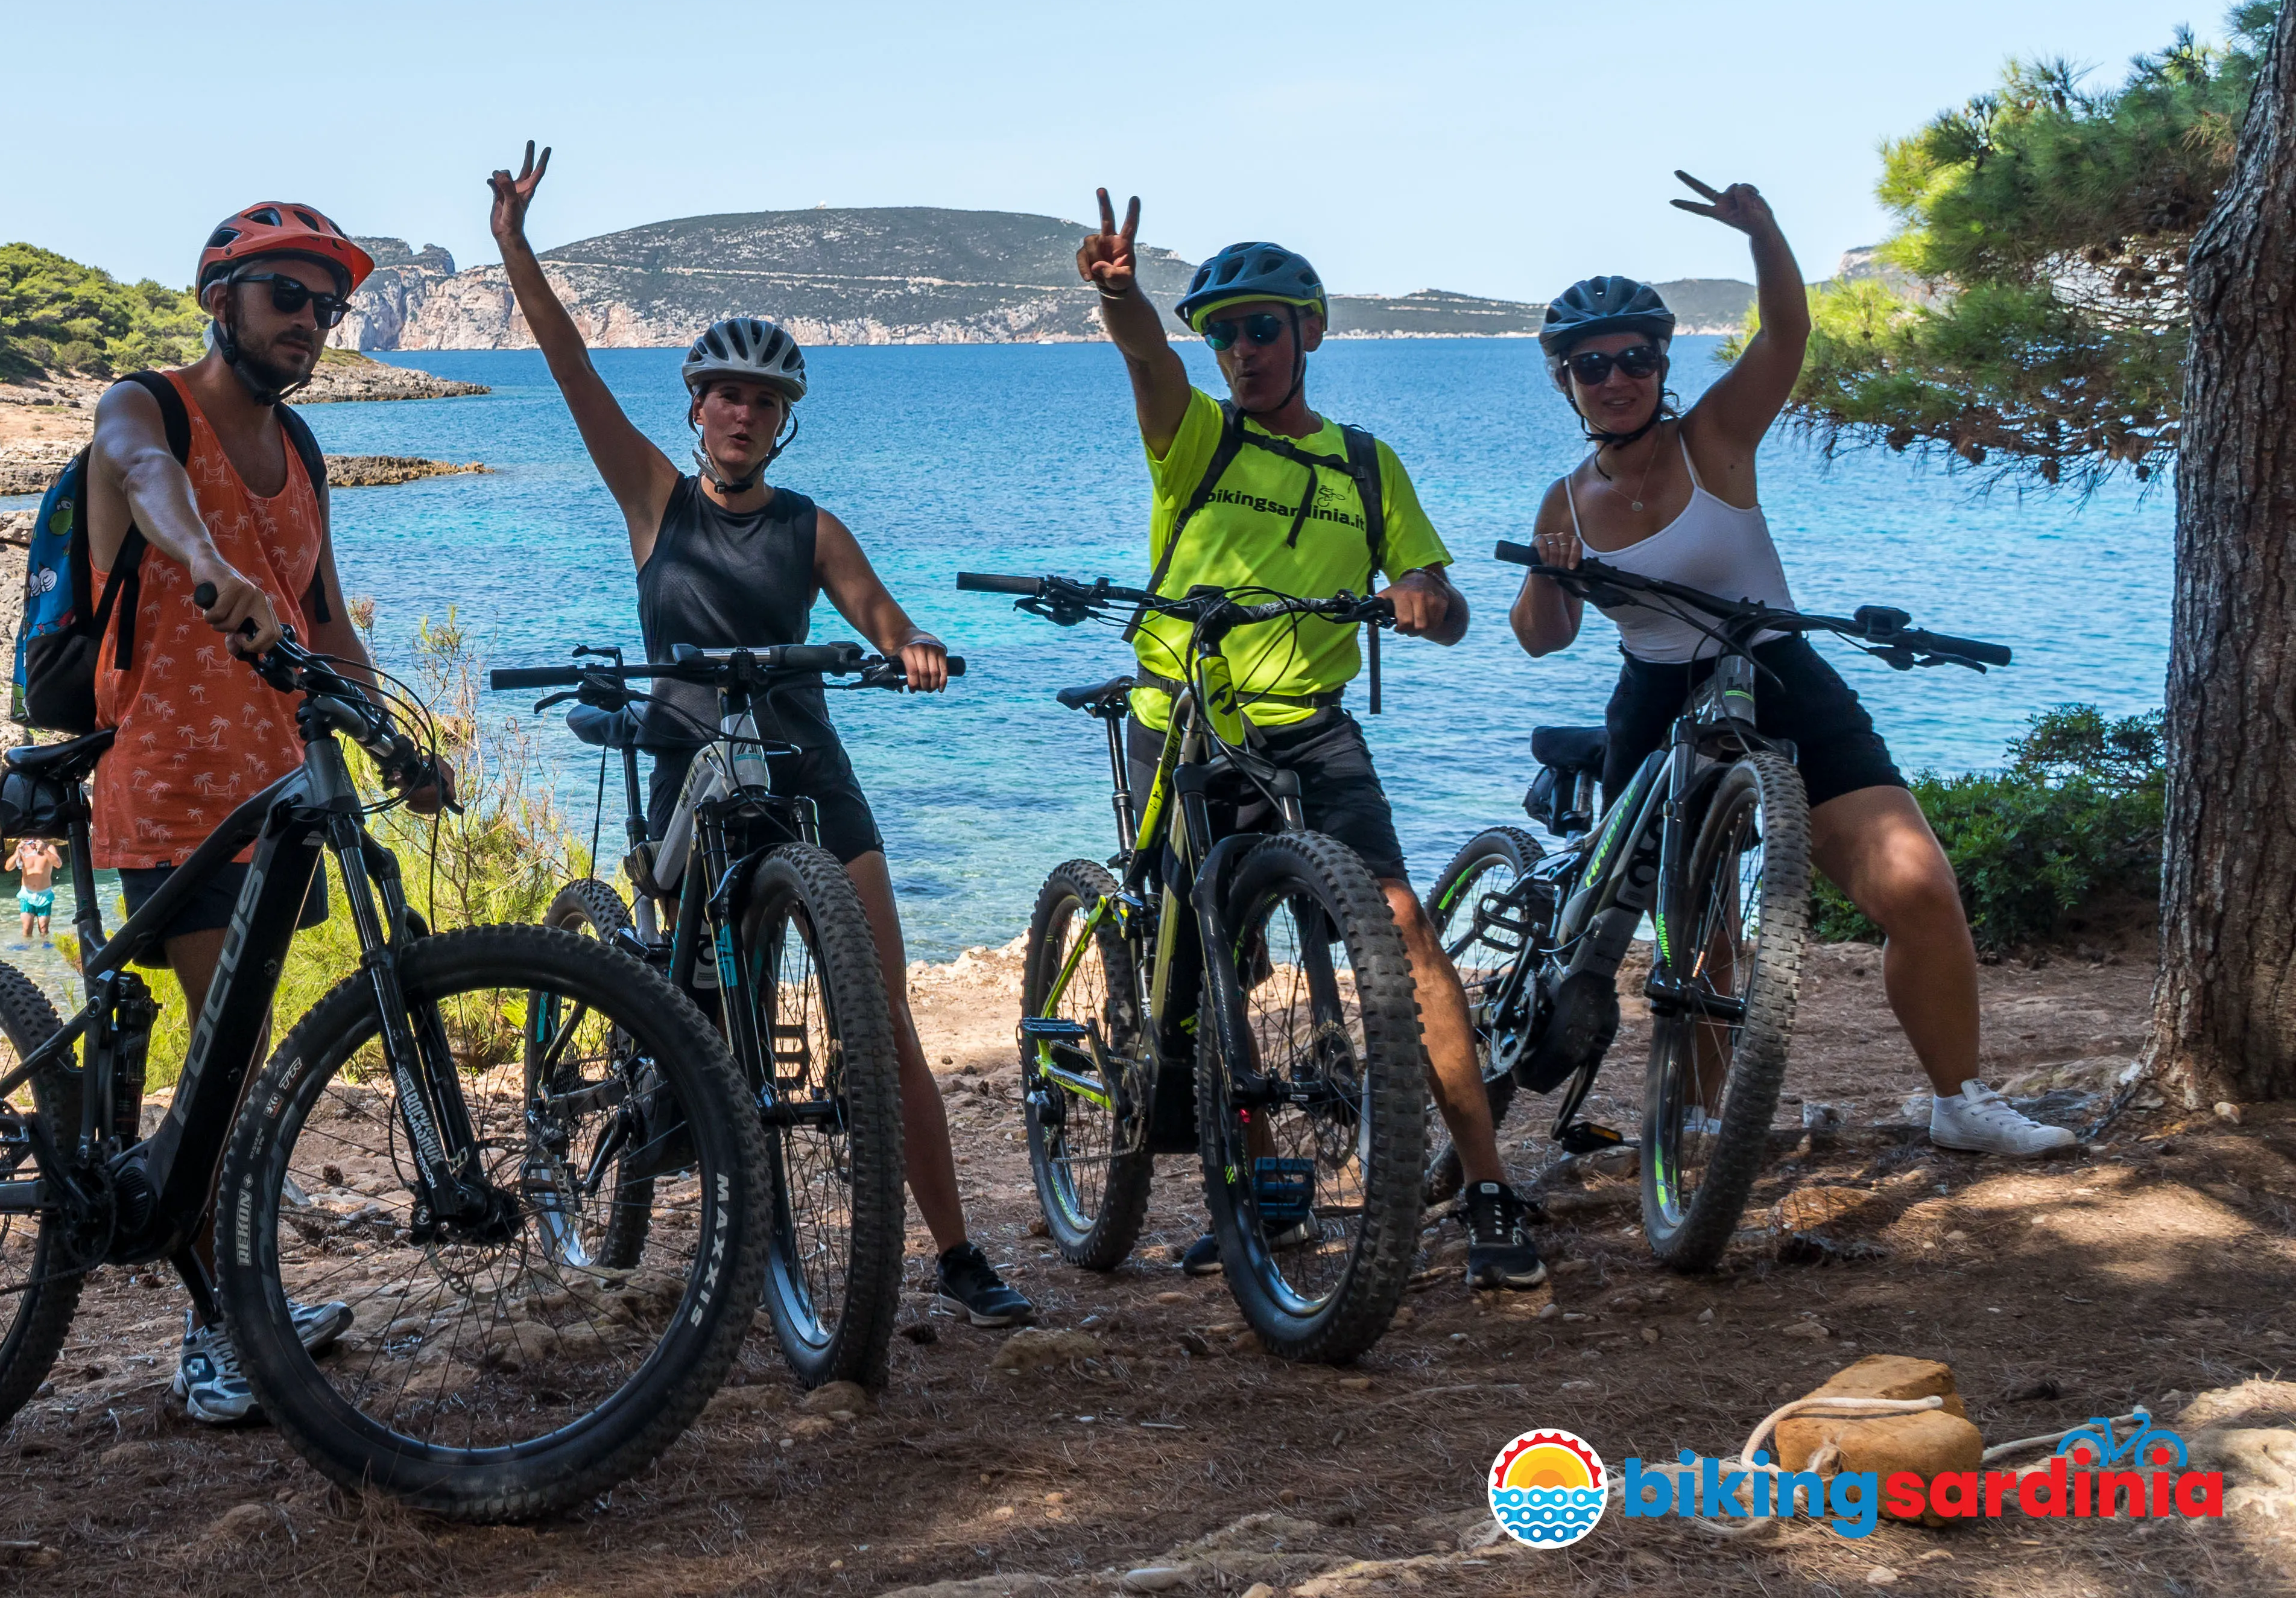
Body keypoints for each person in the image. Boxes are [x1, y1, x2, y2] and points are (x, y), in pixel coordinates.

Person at [485, 145, 1034, 1330]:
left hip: (804, 768)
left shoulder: (810, 524)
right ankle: (697, 1181)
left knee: (883, 1023)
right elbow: (572, 369)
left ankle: (956, 1250)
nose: (742, 411)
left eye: (764, 398)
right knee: (694, 1015)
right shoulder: (653, 497)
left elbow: (879, 613)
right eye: (724, 392)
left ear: (784, 421)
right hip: (692, 765)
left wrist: (913, 642)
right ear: (696, 405)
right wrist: (518, 248)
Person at [1506, 174, 2076, 1161]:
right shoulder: (1563, 501)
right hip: (1656, 702)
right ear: (1566, 381)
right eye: (1591, 364)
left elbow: (1785, 338)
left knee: (1920, 889)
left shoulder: (1715, 439)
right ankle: (1706, 1121)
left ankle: (1961, 1101)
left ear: (1659, 362)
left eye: (1635, 358)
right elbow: (1541, 636)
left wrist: (1763, 233)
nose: (1615, 377)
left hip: (1777, 672)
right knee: (1705, 941)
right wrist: (1552, 580)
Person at [1070, 194, 1545, 1290]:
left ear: (1311, 333)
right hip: (1185, 726)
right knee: (1211, 973)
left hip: (1314, 733)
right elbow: (1148, 360)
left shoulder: (1366, 467)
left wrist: (1425, 599)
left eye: (1264, 328)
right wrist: (1121, 297)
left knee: (1404, 927)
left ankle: (1484, 1185)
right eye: (1226, 333)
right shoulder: (1196, 438)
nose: (1242, 350)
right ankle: (1253, 1190)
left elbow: (1440, 593)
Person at [75, 197, 451, 1425]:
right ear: (217, 297)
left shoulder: (306, 450)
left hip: (280, 786)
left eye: (328, 305)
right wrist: (207, 566)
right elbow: (142, 482)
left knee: (240, 1051)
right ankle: (215, 1320)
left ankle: (238, 1290)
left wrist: (396, 729)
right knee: (228, 1059)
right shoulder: (149, 407)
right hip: (172, 782)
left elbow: (325, 615)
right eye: (287, 295)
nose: (311, 322)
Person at [11, 835, 59, 943]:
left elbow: (58, 864)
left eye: (34, 839)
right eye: (28, 839)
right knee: (27, 929)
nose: (31, 841)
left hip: (45, 895)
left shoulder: (49, 848)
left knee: (44, 929)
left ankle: (44, 954)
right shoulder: (23, 850)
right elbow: (8, 867)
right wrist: (17, 852)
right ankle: (28, 955)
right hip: (26, 894)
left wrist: (44, 850)